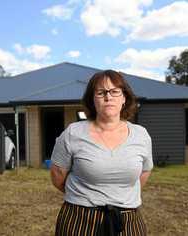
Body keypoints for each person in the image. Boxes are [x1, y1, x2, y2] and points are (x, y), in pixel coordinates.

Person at [50, 70, 153, 236]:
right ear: (93, 99)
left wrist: (118, 194)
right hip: (79, 221)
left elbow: (144, 172)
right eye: (101, 92)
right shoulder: (73, 133)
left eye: (114, 91)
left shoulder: (141, 135)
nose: (108, 97)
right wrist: (85, 196)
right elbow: (57, 176)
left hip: (127, 222)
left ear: (124, 98)